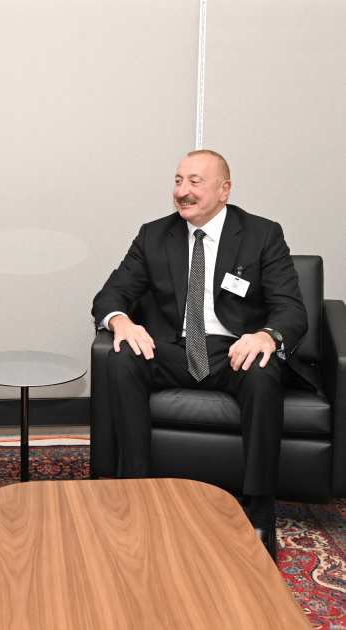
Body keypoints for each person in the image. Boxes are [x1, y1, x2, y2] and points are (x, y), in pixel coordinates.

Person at [92, 150, 310, 562]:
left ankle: (260, 511)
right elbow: (110, 294)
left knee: (263, 368)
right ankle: (134, 493)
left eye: (195, 181)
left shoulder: (262, 234)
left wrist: (267, 336)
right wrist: (121, 322)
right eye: (178, 181)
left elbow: (291, 309)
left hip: (235, 350)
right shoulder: (154, 235)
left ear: (224, 190)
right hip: (175, 349)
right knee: (122, 355)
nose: (182, 191)